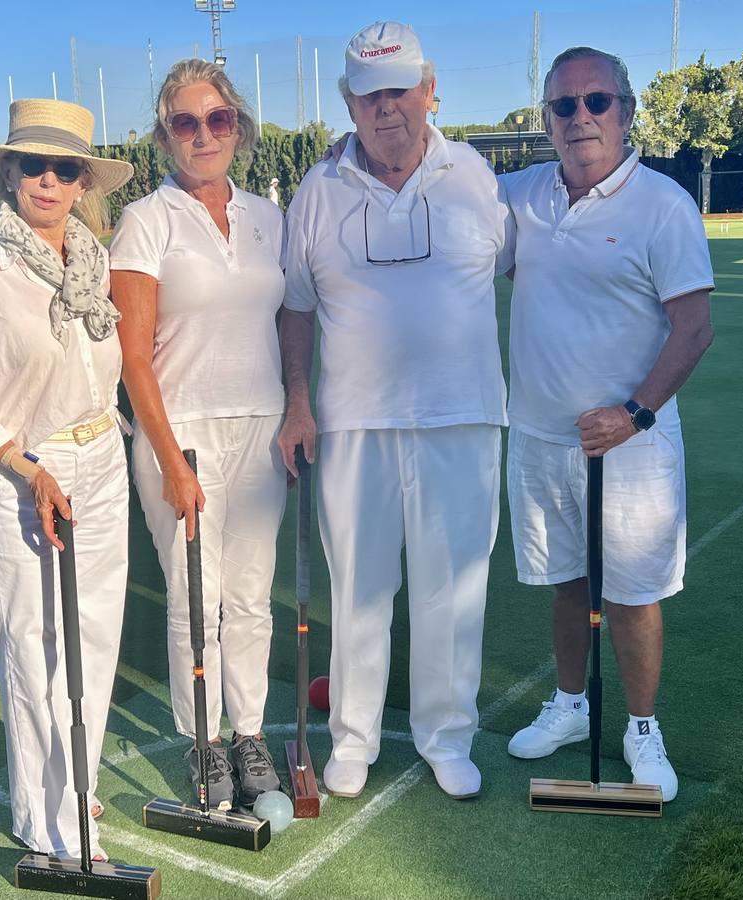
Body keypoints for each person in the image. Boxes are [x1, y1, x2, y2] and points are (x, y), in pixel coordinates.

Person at [279, 21, 508, 801]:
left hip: (463, 419)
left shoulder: (475, 176)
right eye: (369, 95)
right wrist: (298, 403)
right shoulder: (317, 190)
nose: (387, 109)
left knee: (453, 589)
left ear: (430, 89)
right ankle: (354, 738)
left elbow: (520, 274)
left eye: (400, 90)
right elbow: (297, 309)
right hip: (354, 425)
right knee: (360, 589)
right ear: (348, 101)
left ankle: (447, 737)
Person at [498, 46, 715, 802]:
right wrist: (356, 152)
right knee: (564, 582)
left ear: (625, 112)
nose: (580, 117)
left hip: (631, 445)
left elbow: (693, 328)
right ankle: (569, 704)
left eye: (596, 103)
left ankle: (643, 728)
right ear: (546, 120)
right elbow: (443, 197)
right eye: (564, 105)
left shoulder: (663, 204)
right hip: (538, 435)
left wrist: (633, 413)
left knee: (631, 592)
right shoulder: (520, 195)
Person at [0, 99, 135, 858]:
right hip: (22, 474)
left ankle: (76, 789)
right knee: (33, 643)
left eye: (65, 169)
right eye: (33, 166)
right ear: (10, 174)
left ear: (83, 181)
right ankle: (48, 822)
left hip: (102, 463)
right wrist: (28, 468)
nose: (47, 181)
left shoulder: (97, 264)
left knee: (94, 635)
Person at [109, 59, 287, 809]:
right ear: (164, 137)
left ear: (237, 127)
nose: (204, 133)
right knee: (195, 601)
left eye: (218, 119)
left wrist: (297, 412)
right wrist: (168, 459)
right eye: (186, 122)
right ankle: (204, 744)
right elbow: (133, 357)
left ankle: (249, 735)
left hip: (261, 428)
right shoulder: (146, 220)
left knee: (251, 599)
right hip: (178, 437)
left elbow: (289, 322)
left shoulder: (269, 218)